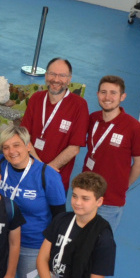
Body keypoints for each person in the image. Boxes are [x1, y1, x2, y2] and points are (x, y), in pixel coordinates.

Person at [30, 171, 115, 278]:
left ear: (99, 201)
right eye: (74, 196)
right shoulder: (61, 219)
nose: (77, 202)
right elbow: (42, 259)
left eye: (85, 198)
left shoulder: (103, 237)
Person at [0, 126, 66, 278]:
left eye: (16, 145)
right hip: (1, 241)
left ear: (28, 146)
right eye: (6, 147)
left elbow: (60, 217)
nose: (11, 151)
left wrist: (52, 251)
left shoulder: (48, 176)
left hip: (33, 246)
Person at [81, 75, 140, 230]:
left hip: (109, 199)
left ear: (122, 97)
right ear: (97, 94)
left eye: (113, 93)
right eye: (103, 92)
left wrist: (124, 184)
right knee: (77, 239)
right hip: (85, 192)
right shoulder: (93, 118)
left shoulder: (134, 128)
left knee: (99, 245)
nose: (107, 97)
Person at [21, 58, 88, 188]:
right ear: (46, 76)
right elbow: (24, 136)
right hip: (29, 172)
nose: (56, 79)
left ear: (69, 79)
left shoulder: (79, 106)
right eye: (52, 74)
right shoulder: (36, 99)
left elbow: (74, 148)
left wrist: (48, 170)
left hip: (56, 179)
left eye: (62, 75)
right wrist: (38, 166)